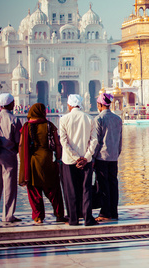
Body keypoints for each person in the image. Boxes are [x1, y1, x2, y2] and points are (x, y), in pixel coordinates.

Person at [18, 103, 67, 224]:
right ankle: (59, 215)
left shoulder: (26, 127)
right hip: (48, 161)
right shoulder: (49, 125)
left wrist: (23, 161)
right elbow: (57, 144)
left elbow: (20, 146)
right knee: (53, 189)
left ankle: (38, 217)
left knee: (34, 190)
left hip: (32, 161)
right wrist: (59, 159)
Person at [59, 94, 98, 226]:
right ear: (80, 104)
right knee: (86, 189)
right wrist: (86, 157)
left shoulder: (64, 119)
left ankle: (73, 219)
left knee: (71, 190)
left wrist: (75, 157)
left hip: (69, 161)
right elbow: (94, 140)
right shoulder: (89, 118)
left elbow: (63, 142)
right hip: (86, 161)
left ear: (69, 105)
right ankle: (88, 218)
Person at [0, 93, 23, 223]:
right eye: (13, 102)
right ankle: (8, 216)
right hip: (8, 155)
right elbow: (19, 140)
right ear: (10, 104)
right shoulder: (14, 119)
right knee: (9, 186)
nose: (14, 104)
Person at [93, 93, 123, 222]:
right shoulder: (117, 119)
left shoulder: (99, 119)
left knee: (103, 185)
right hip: (114, 157)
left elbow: (97, 141)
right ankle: (114, 212)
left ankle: (105, 212)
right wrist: (117, 153)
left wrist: (93, 157)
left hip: (102, 157)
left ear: (100, 105)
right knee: (113, 184)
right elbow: (120, 140)